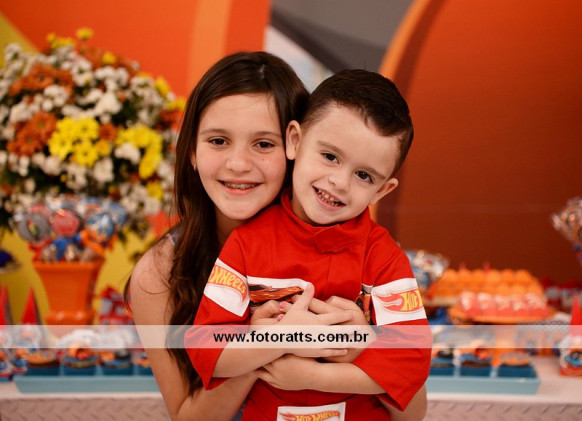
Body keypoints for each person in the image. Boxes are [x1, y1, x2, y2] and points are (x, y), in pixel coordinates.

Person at [130, 53, 422, 421]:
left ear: (290, 144)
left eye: (263, 144)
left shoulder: (375, 252)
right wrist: (273, 343)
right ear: (191, 150)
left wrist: (359, 343)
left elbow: (413, 399)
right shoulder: (162, 272)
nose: (238, 163)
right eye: (218, 140)